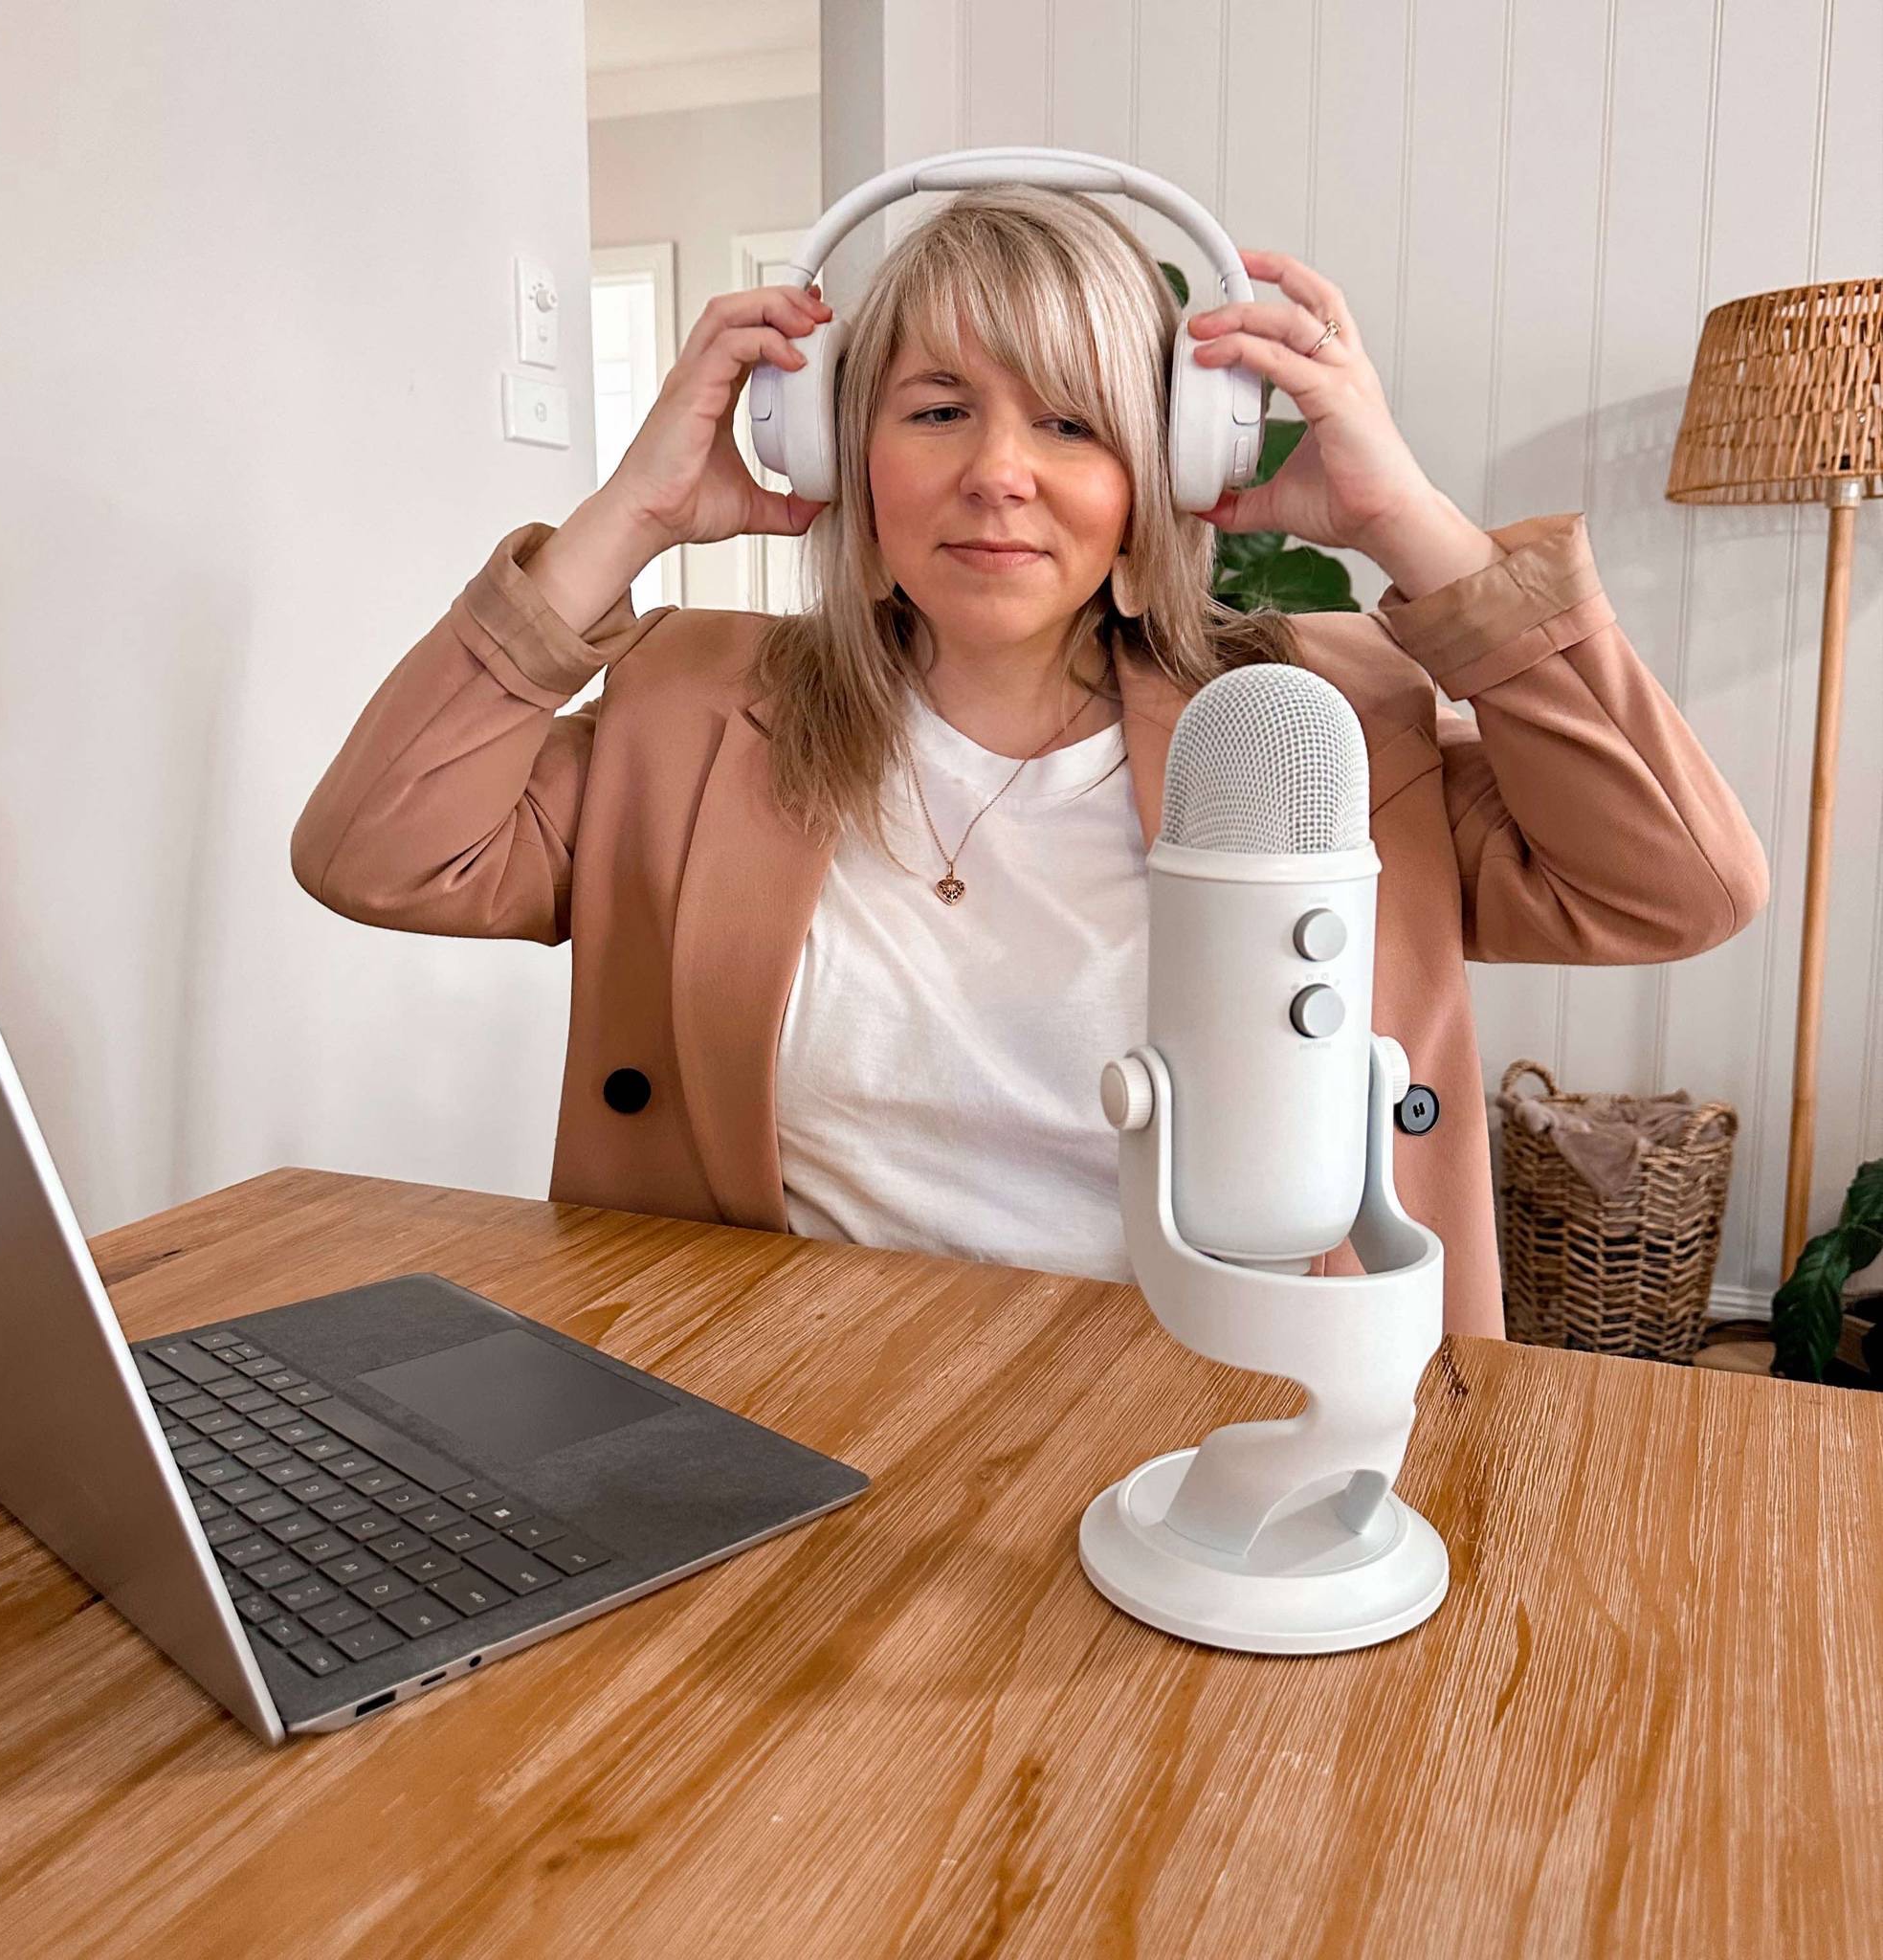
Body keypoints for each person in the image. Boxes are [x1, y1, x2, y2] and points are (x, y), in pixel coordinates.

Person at [291, 186, 1769, 1341]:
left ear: (1161, 471)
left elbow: (1676, 890)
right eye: (937, 409)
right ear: (841, 455)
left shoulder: (1303, 731)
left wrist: (1410, 527)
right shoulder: (692, 714)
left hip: (1217, 1402)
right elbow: (377, 855)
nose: (997, 471)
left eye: (1070, 421)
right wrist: (628, 513)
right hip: (768, 1398)